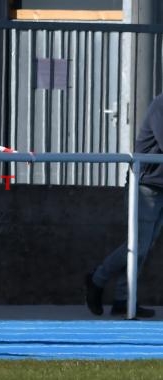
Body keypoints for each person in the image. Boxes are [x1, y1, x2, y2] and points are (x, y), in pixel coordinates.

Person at [85, 93, 163, 318]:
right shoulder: (161, 104)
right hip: (146, 184)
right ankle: (97, 279)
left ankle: (123, 299)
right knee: (137, 244)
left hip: (159, 185)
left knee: (144, 246)